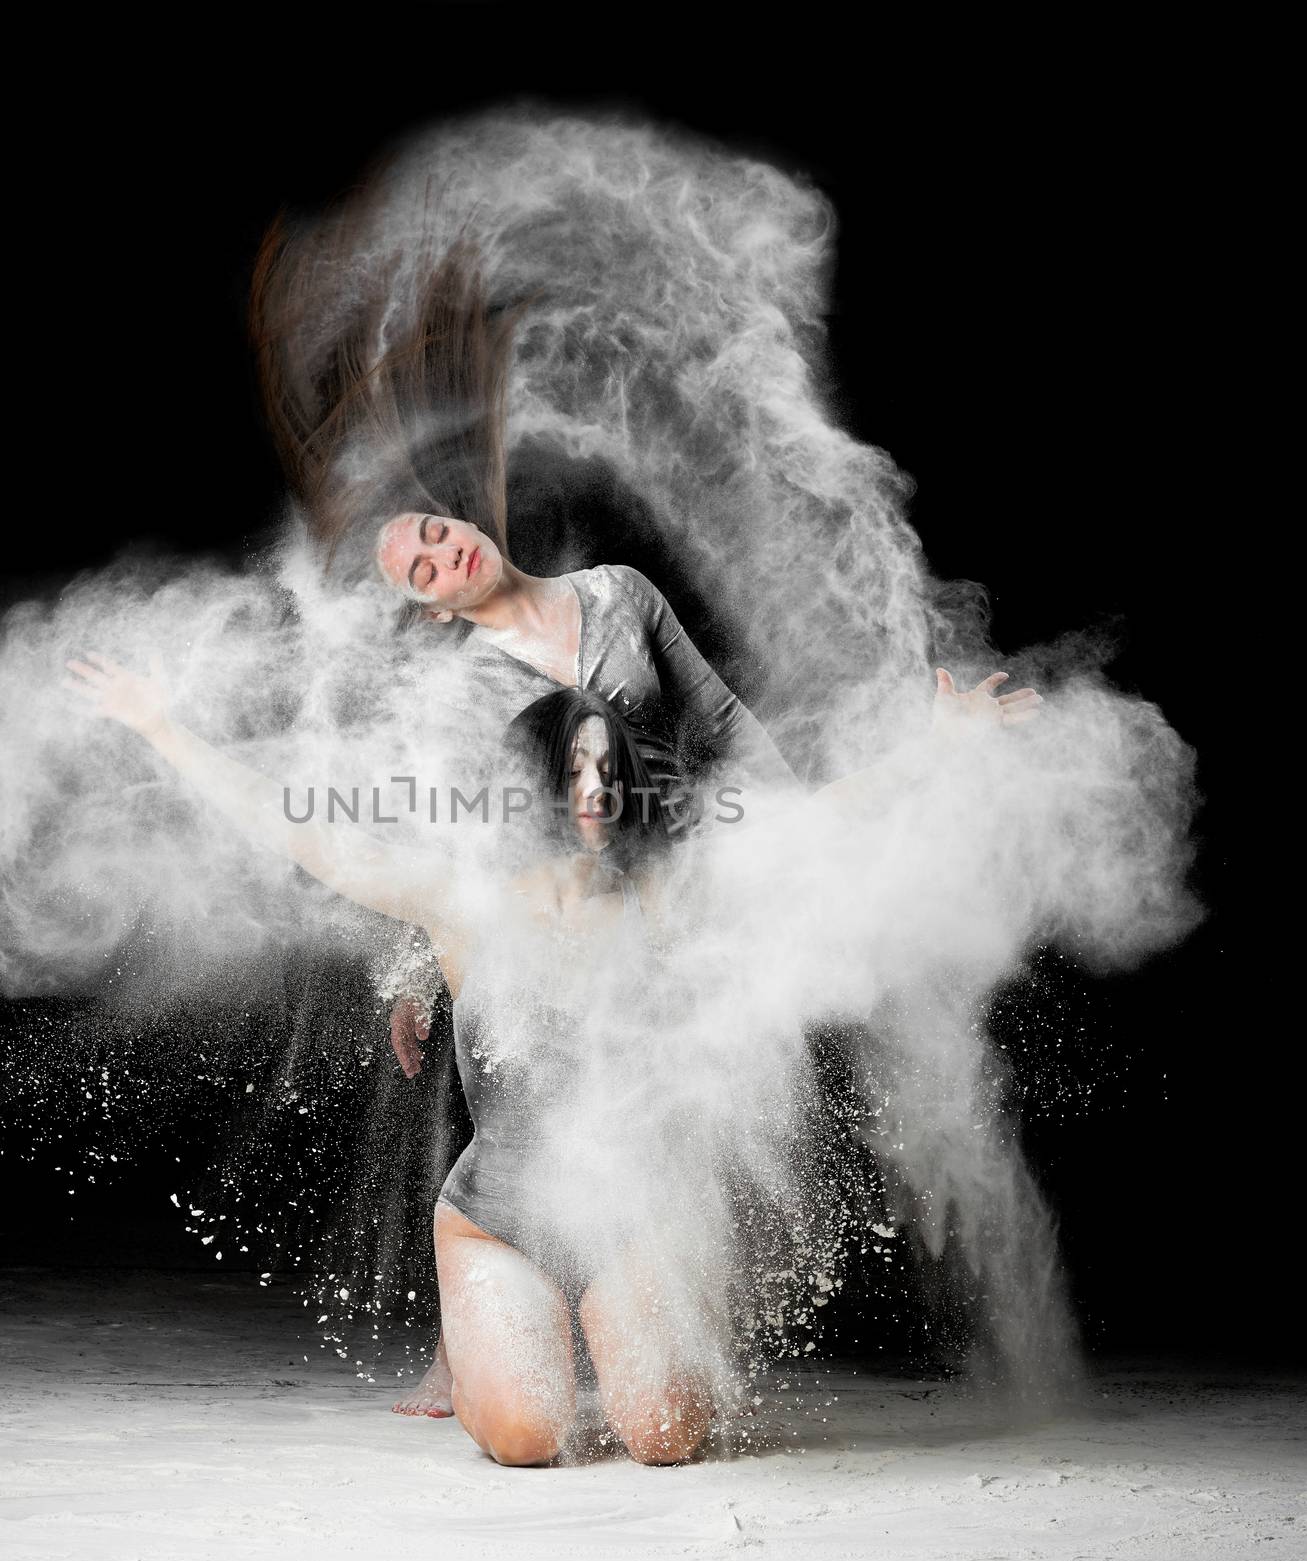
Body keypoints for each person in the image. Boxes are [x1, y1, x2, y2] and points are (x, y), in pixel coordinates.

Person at [248, 211, 1043, 1417]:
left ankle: (645, 1297)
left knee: (670, 1073)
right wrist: (417, 969)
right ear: (420, 606)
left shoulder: (614, 596)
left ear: (464, 524)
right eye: (413, 571)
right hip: (530, 908)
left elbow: (717, 726)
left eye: (434, 535)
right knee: (513, 1079)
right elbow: (440, 844)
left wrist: (788, 825)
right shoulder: (458, 691)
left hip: (660, 849)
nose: (437, 556)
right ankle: (480, 1326)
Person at [64, 655, 1038, 1466]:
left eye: (609, 766)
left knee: (661, 1437)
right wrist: (159, 726)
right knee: (527, 1438)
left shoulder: (665, 900)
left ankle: (638, 1329)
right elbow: (304, 832)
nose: (594, 788)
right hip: (499, 1217)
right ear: (532, 779)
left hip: (633, 1213)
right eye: (572, 766)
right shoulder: (461, 903)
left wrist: (937, 747)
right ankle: (498, 1338)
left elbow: (808, 833)